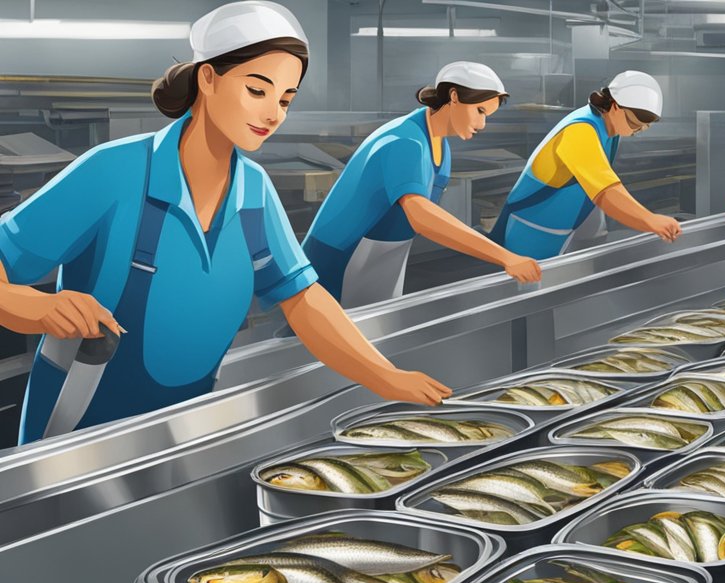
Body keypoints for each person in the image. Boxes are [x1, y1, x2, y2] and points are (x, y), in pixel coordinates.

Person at [0, 1, 450, 444]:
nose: (273, 113)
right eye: (258, 91)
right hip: (74, 436)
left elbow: (304, 301)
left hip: (184, 429)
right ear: (208, 78)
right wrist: (36, 309)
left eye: (285, 99)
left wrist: (385, 377)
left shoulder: (254, 191)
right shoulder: (113, 172)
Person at [303, 61, 540, 309]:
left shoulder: (439, 145)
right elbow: (422, 216)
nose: (482, 125)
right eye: (480, 111)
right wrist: (505, 258)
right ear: (454, 96)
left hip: (384, 257)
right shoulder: (406, 142)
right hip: (339, 260)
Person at [489, 71, 681, 260]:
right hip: (527, 232)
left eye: (644, 127)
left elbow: (590, 183)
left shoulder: (608, 129)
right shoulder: (580, 131)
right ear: (614, 106)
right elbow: (606, 192)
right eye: (634, 124)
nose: (636, 131)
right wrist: (650, 220)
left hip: (556, 232)